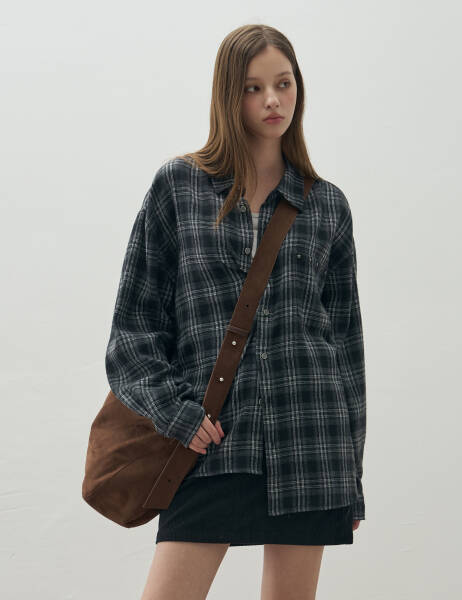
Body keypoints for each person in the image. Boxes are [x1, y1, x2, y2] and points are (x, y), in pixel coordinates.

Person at [105, 24, 367, 600]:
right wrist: (175, 413)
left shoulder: (327, 205)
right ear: (229, 94)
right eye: (253, 87)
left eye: (283, 83)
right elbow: (133, 331)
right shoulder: (179, 187)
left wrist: (353, 474)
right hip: (213, 446)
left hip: (310, 446)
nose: (272, 100)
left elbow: (346, 349)